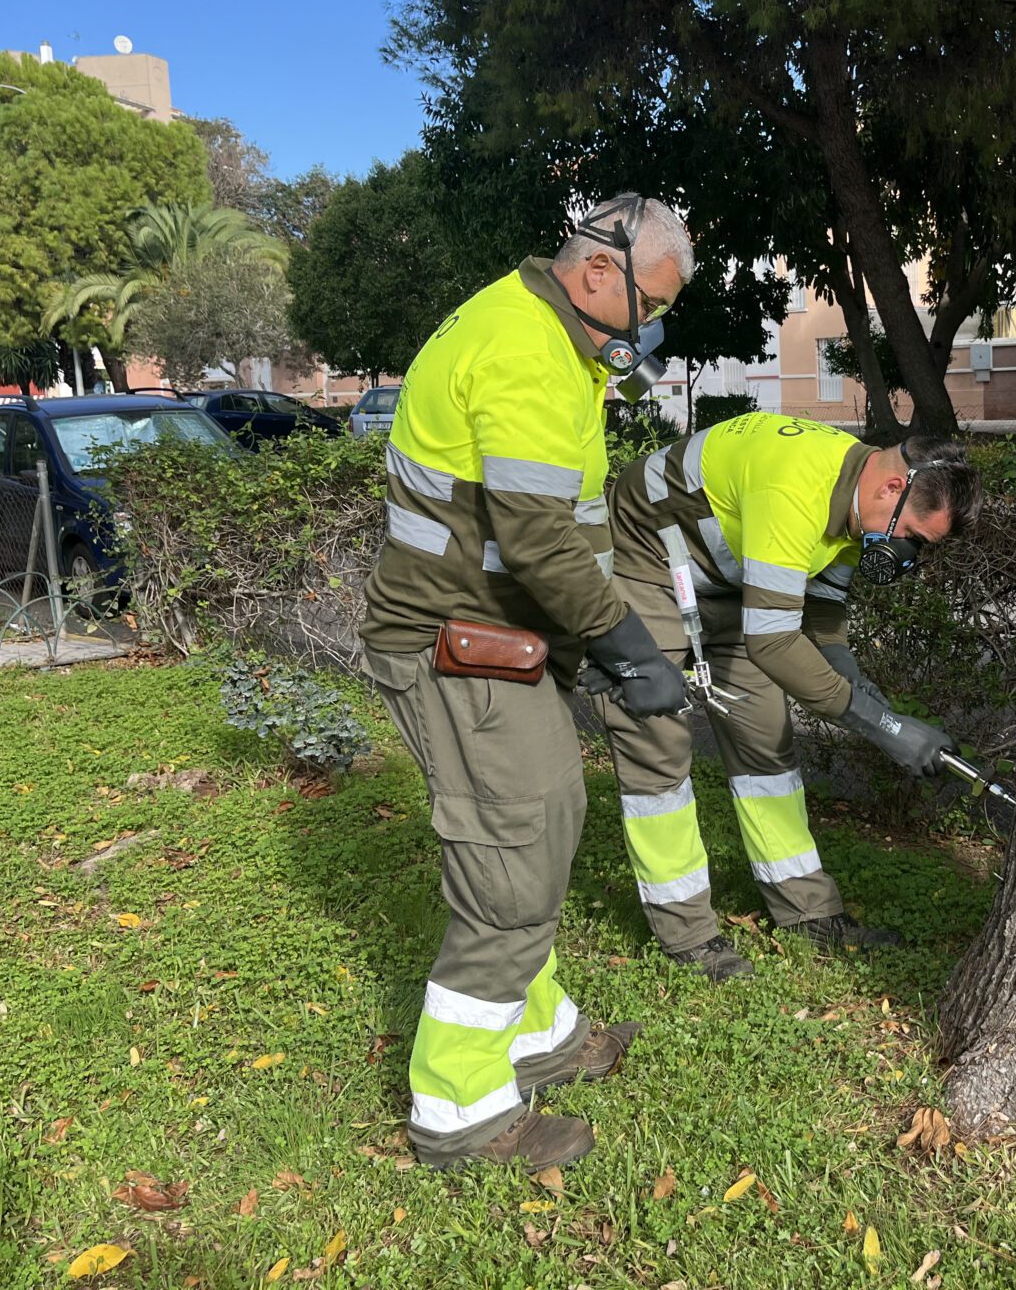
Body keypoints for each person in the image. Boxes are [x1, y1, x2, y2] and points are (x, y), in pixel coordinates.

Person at [359, 194, 694, 1169]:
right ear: (599, 272)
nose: (652, 325)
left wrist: (586, 644)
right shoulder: (525, 349)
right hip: (453, 648)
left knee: (544, 824)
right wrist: (626, 645)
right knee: (512, 867)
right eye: (651, 303)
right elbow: (539, 538)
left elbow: (548, 524)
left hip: (501, 639)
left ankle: (539, 1040)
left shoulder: (547, 337)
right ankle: (460, 1114)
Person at [593, 411, 981, 979]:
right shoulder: (795, 485)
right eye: (911, 539)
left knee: (766, 748)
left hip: (728, 582)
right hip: (645, 565)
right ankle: (688, 936)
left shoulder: (858, 505)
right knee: (658, 750)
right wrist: (883, 729)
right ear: (894, 487)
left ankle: (806, 912)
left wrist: (880, 710)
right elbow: (774, 644)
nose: (905, 554)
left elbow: (821, 626)